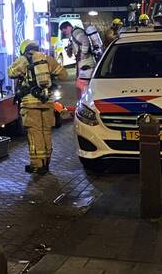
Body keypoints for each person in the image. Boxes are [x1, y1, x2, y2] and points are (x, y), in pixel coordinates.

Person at [8, 39, 67, 174]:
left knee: (35, 134)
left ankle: (37, 165)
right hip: (47, 102)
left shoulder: (23, 60)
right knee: (46, 132)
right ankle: (46, 163)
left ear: (24, 49)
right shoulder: (47, 59)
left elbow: (10, 73)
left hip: (30, 104)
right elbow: (64, 75)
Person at [60, 21, 98, 100]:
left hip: (86, 62)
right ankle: (86, 100)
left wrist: (83, 54)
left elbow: (85, 41)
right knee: (82, 83)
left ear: (68, 27)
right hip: (84, 62)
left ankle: (86, 101)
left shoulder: (76, 32)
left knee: (82, 83)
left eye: (65, 31)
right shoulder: (74, 33)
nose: (65, 33)